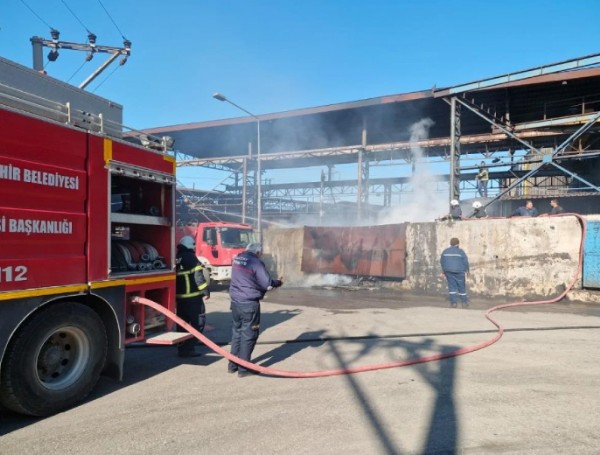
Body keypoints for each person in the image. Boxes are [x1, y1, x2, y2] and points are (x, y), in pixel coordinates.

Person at [228, 243, 283, 378]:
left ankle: (232, 365)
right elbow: (267, 283)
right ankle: (244, 368)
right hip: (249, 304)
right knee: (249, 335)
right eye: (260, 253)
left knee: (237, 333)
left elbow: (245, 279)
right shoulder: (256, 262)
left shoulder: (237, 258)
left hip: (235, 303)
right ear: (257, 252)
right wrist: (278, 282)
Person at [175, 236, 210, 357]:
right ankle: (189, 348)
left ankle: (181, 348)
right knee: (198, 323)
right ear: (190, 245)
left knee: (182, 324)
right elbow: (198, 277)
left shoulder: (177, 258)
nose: (195, 246)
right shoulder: (191, 258)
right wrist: (205, 291)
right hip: (193, 298)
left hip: (180, 299)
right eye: (194, 244)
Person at [440, 238, 470, 308]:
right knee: (461, 287)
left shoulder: (445, 251)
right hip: (459, 272)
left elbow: (442, 261)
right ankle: (464, 303)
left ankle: (453, 303)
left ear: (450, 243)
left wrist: (443, 272)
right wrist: (468, 272)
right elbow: (466, 262)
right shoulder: (461, 252)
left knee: (452, 287)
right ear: (458, 244)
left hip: (448, 272)